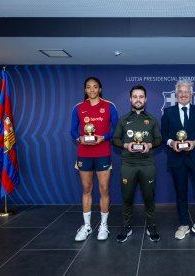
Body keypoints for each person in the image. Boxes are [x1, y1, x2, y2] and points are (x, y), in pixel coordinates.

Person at [161, 79, 195, 242]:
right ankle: (183, 224)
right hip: (177, 159)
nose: (183, 94)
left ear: (191, 94)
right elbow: (163, 135)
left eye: (186, 92)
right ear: (176, 94)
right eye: (180, 92)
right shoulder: (168, 113)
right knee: (181, 194)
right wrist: (171, 143)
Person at [71, 76, 118, 241]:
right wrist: (80, 138)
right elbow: (73, 130)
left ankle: (104, 226)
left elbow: (116, 129)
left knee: (104, 189)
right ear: (85, 90)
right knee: (86, 189)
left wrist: (103, 137)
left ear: (100, 89)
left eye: (95, 87)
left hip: (103, 153)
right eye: (89, 87)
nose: (92, 90)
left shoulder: (109, 106)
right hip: (84, 154)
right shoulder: (78, 108)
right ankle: (87, 226)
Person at [112, 85, 162, 243]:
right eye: (135, 96)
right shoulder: (124, 119)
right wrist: (126, 145)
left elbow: (159, 139)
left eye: (141, 97)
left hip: (147, 163)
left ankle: (151, 225)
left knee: (149, 196)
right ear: (130, 99)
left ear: (145, 99)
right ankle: (127, 226)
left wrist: (150, 145)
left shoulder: (152, 119)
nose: (138, 99)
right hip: (128, 164)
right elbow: (115, 139)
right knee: (127, 197)